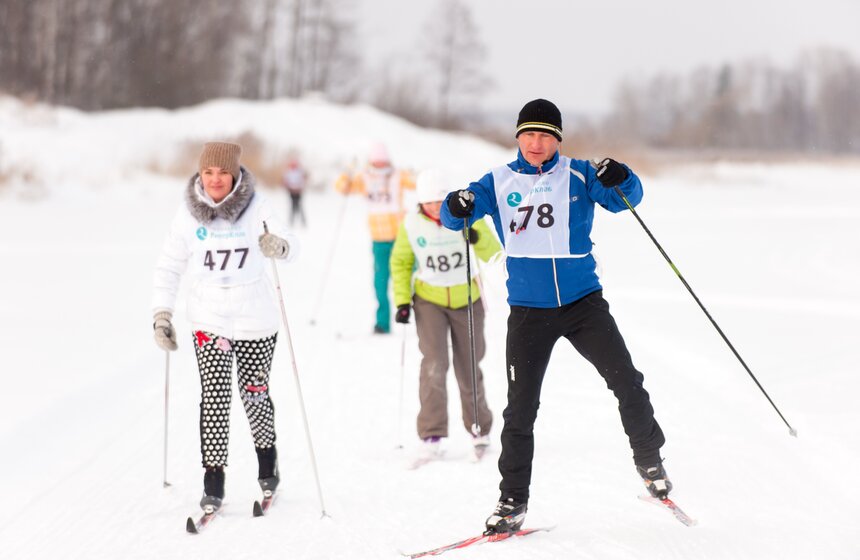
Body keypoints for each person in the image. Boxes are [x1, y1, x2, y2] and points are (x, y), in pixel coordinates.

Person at [440, 99, 669, 534]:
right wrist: (457, 203)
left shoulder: (581, 173)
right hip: (529, 313)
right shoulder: (498, 180)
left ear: (557, 140)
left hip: (584, 304)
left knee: (627, 381)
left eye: (545, 135)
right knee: (520, 411)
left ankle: (650, 460)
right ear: (518, 137)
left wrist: (623, 177)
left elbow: (627, 200)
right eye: (528, 134)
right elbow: (455, 217)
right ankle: (512, 502)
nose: (536, 142)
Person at [151, 142, 298, 514]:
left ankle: (268, 469)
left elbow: (292, 245)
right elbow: (169, 265)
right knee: (214, 400)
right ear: (200, 175)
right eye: (208, 173)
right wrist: (162, 314)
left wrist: (278, 246)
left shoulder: (257, 207)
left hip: (255, 318)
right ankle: (212, 481)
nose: (215, 180)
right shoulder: (188, 214)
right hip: (209, 318)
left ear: (234, 175)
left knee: (254, 395)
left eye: (222, 173)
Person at [390, 169, 502, 465]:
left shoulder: (465, 215)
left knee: (469, 364)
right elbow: (401, 262)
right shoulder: (411, 224)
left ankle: (479, 429)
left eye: (439, 202)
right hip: (430, 300)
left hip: (467, 298)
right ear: (420, 203)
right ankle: (431, 435)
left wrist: (477, 237)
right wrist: (402, 301)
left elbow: (493, 253)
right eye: (428, 203)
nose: (434, 209)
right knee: (434, 364)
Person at [335, 143, 415, 334]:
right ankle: (382, 323)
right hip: (379, 240)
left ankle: (416, 316)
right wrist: (348, 171)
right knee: (380, 282)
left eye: (383, 162)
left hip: (401, 238)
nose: (380, 166)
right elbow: (342, 188)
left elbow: (416, 183)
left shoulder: (397, 175)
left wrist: (415, 173)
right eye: (376, 162)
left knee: (404, 279)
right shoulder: (364, 177)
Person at [282, 156, 307, 227]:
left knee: (299, 206)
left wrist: (299, 188)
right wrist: (289, 188)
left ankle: (303, 222)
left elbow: (303, 181)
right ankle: (291, 222)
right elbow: (285, 182)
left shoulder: (300, 172)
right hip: (291, 192)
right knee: (292, 206)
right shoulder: (288, 172)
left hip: (298, 192)